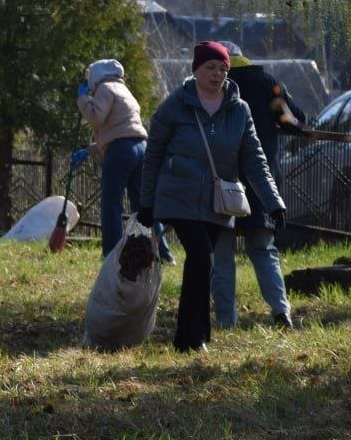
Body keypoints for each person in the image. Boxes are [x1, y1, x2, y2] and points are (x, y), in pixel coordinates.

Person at [138, 41, 284, 353]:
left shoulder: (239, 109)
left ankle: (189, 337)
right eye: (210, 68)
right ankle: (195, 338)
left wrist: (273, 203)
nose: (217, 74)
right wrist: (146, 203)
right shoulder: (176, 104)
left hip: (218, 203)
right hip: (178, 194)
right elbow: (153, 156)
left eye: (223, 68)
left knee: (202, 264)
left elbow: (255, 161)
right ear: (196, 69)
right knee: (202, 255)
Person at [209, 41, 307, 328]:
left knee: (222, 254)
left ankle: (226, 320)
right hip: (261, 180)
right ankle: (280, 311)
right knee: (263, 249)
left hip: (222, 181)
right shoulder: (265, 81)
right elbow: (294, 121)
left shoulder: (211, 84)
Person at [74, 58, 173, 262]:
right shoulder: (125, 91)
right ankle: (162, 253)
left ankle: (111, 253)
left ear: (97, 75)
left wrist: (83, 100)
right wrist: (88, 151)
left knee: (112, 204)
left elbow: (96, 118)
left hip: (120, 151)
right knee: (144, 205)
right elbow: (121, 131)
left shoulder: (105, 88)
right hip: (140, 148)